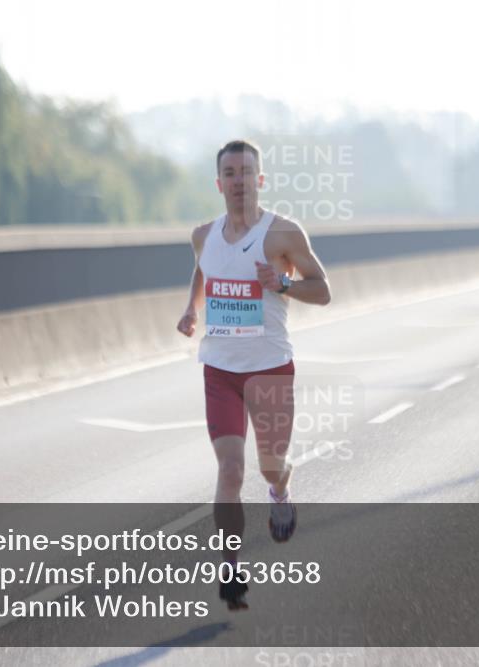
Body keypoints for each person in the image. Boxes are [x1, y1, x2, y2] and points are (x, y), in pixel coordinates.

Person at [176, 139, 332, 610]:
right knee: (229, 468)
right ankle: (229, 566)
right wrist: (190, 309)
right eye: (231, 173)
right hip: (220, 370)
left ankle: (281, 492)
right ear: (219, 182)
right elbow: (203, 272)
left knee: (269, 466)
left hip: (269, 370)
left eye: (247, 172)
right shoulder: (203, 235)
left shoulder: (282, 234)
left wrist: (283, 283)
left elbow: (323, 290)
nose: (239, 181)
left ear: (260, 181)